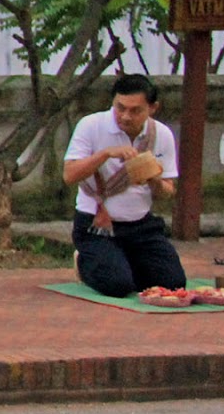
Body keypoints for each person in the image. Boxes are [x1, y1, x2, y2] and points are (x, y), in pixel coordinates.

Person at [64, 74, 186, 297]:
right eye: (120, 108)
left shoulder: (162, 134)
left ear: (152, 108)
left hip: (141, 226)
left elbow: (167, 192)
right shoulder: (91, 125)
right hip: (97, 225)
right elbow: (69, 175)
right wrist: (105, 154)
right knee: (116, 286)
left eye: (135, 110)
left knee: (173, 284)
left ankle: (122, 262)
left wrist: (152, 177)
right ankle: (85, 262)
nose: (125, 116)